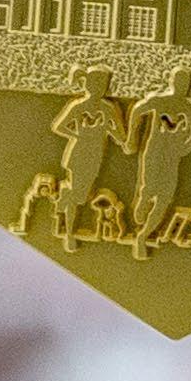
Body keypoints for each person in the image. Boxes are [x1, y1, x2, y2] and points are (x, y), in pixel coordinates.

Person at [51, 67, 130, 250]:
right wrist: (78, 135)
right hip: (78, 154)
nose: (99, 88)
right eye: (96, 84)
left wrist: (115, 136)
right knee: (77, 195)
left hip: (95, 156)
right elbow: (59, 126)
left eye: (103, 84)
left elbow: (119, 133)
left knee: (82, 195)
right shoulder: (79, 106)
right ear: (88, 85)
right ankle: (69, 233)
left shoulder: (107, 108)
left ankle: (64, 197)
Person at [130, 67, 191, 257]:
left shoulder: (189, 109)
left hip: (172, 158)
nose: (182, 86)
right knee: (149, 188)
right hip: (153, 153)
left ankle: (143, 236)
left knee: (164, 198)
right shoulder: (160, 101)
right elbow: (138, 110)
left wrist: (185, 148)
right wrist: (132, 135)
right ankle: (143, 198)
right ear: (172, 82)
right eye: (179, 82)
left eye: (186, 83)